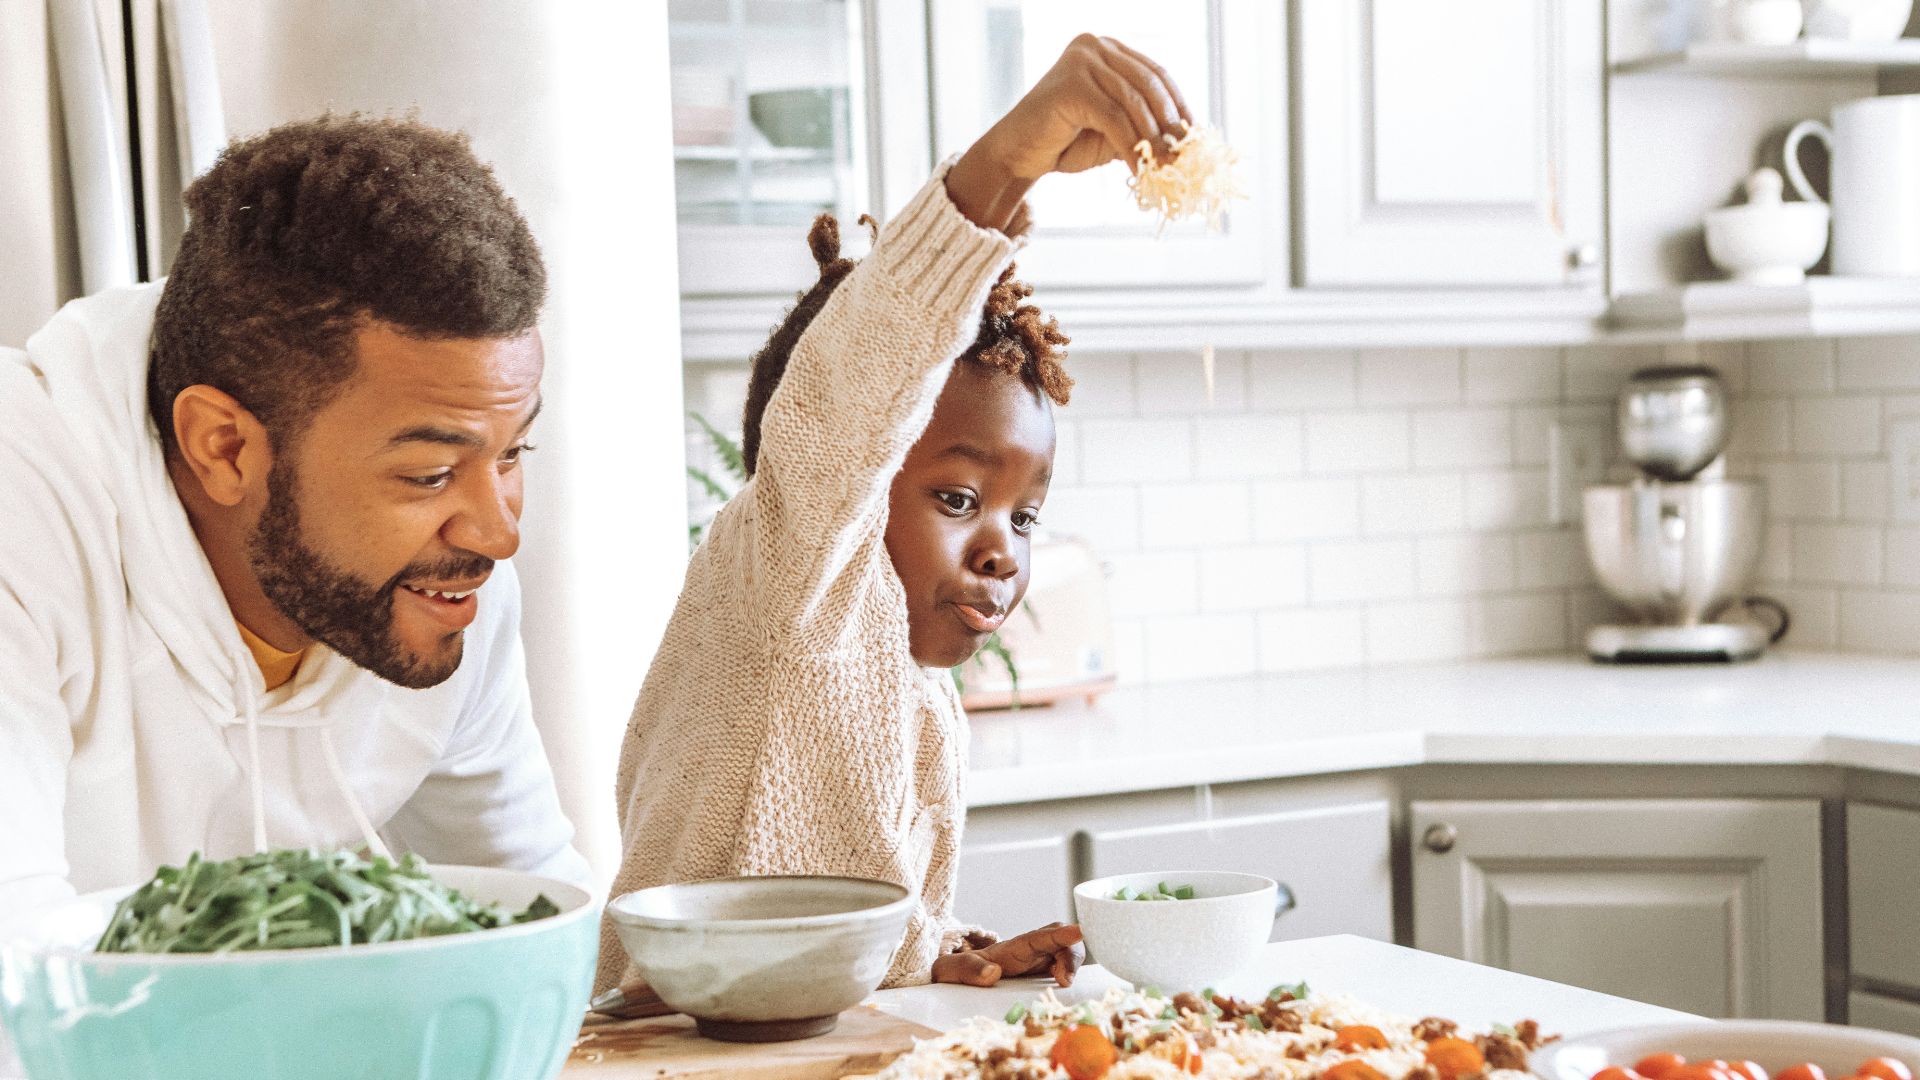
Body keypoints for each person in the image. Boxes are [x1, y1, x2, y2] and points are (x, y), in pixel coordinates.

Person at [600, 34, 1193, 992]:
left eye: (1024, 517)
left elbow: (841, 928)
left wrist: (948, 954)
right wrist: (1007, 163)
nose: (1002, 547)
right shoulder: (787, 580)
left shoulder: (916, 689)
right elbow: (858, 384)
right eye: (959, 500)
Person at [0, 115, 591, 919]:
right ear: (224, 447)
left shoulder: (436, 584)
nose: (496, 533)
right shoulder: (23, 517)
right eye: (428, 473)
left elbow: (542, 918)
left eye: (515, 453)